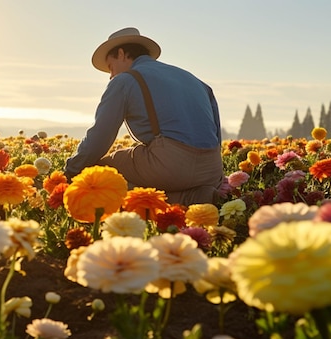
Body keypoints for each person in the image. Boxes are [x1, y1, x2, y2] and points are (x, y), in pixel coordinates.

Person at [64, 27, 224, 206]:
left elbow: (100, 137)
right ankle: (203, 195)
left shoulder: (125, 80)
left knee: (98, 174)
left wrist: (72, 171)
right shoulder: (195, 80)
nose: (111, 76)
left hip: (170, 166)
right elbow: (216, 132)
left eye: (110, 67)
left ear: (122, 53)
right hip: (212, 169)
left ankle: (184, 199)